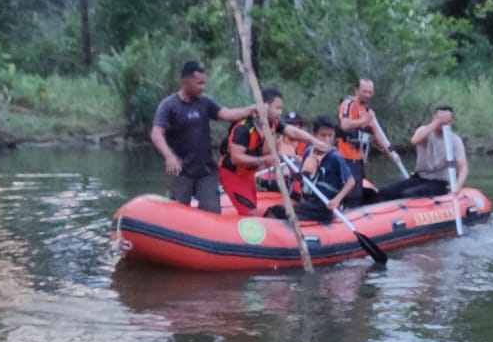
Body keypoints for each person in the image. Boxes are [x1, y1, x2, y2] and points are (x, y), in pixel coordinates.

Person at [149, 61, 255, 213]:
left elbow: (227, 114)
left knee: (212, 212)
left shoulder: (205, 102)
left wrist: (251, 109)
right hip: (182, 170)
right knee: (178, 214)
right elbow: (156, 133)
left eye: (204, 83)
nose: (202, 87)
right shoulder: (169, 105)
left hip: (206, 171)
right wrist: (169, 157)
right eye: (199, 83)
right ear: (186, 81)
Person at [218, 87, 313, 213]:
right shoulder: (244, 128)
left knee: (252, 208)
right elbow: (236, 159)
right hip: (233, 174)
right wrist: (262, 160)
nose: (280, 113)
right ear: (265, 107)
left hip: (249, 174)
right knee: (250, 213)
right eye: (277, 108)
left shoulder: (273, 123)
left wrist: (316, 142)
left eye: (281, 108)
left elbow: (292, 132)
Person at [268, 116, 357, 222]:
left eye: (330, 135)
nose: (327, 139)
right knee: (274, 211)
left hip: (323, 207)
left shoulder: (335, 157)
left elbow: (350, 182)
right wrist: (287, 162)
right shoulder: (308, 152)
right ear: (314, 135)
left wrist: (336, 200)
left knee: (276, 212)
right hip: (310, 203)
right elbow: (301, 178)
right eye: (323, 135)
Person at [371, 105, 469, 202]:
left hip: (440, 182)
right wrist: (437, 122)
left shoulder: (454, 140)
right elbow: (415, 140)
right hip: (419, 177)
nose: (443, 122)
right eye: (439, 118)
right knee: (385, 191)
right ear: (433, 118)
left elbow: (463, 166)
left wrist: (456, 187)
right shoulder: (424, 131)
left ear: (451, 121)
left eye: (446, 120)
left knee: (409, 194)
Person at [336, 77, 400, 205]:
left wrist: (390, 152)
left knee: (358, 192)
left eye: (370, 92)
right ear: (356, 90)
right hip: (346, 158)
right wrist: (364, 121)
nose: (367, 95)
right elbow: (344, 124)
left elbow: (376, 133)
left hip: (359, 159)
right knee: (352, 193)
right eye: (364, 91)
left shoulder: (367, 110)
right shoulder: (348, 104)